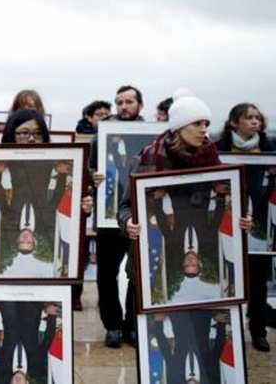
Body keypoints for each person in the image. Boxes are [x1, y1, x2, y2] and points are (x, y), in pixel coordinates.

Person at [117, 89, 251, 335]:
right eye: (197, 123)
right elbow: (124, 208)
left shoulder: (213, 162)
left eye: (206, 124)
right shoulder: (148, 159)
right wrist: (128, 224)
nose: (204, 130)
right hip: (145, 264)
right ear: (180, 126)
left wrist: (241, 221)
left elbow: (228, 207)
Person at [0, 110, 93, 277]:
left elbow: (0, 195)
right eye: (24, 133)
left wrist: (85, 208)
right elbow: (58, 195)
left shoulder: (54, 161)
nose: (31, 138)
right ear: (10, 134)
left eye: (38, 133)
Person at [215, 102, 276, 351]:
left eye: (257, 118)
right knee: (226, 278)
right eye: (249, 118)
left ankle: (258, 330)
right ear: (234, 122)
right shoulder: (218, 149)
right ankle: (224, 332)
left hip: (259, 225)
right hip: (226, 220)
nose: (255, 122)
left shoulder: (270, 148)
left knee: (258, 280)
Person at [88, 85, 146, 348]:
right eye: (120, 102)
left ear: (140, 106)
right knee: (106, 274)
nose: (124, 106)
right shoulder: (101, 137)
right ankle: (112, 325)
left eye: (129, 101)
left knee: (136, 274)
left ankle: (132, 326)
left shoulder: (152, 137)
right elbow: (89, 170)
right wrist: (93, 177)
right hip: (108, 217)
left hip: (136, 217)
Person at [0, 301, 59, 383]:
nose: (18, 382)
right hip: (32, 313)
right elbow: (47, 340)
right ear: (27, 383)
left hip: (9, 315)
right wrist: (52, 315)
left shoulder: (3, 364)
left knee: (9, 302)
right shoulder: (36, 366)